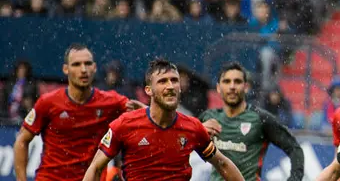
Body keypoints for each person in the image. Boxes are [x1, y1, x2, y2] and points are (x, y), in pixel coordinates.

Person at [82, 59, 245, 181]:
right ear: (148, 90)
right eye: (162, 81)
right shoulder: (125, 124)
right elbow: (96, 167)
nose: (170, 86)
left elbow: (223, 164)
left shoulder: (193, 128)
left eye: (174, 80)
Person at [13, 44, 143, 181]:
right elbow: (22, 140)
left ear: (94, 67)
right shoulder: (48, 102)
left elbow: (148, 116)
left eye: (88, 64)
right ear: (65, 69)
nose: (83, 69)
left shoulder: (111, 101)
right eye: (76, 64)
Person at [199, 62, 304, 181]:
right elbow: (184, 142)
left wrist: (294, 178)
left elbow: (294, 148)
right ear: (218, 87)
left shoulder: (260, 118)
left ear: (246, 87)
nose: (232, 86)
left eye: (237, 81)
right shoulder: (208, 118)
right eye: (227, 81)